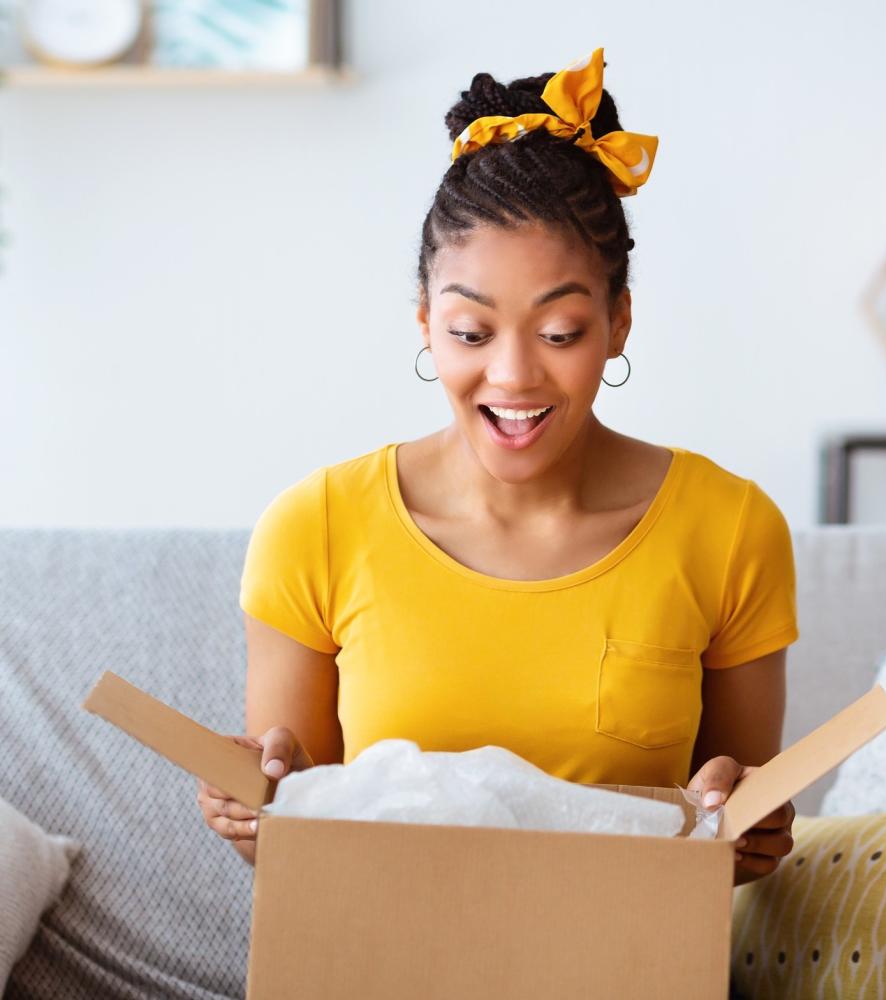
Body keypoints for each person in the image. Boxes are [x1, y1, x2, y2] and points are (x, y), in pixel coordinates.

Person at [196, 47, 798, 886]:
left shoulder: (729, 529)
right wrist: (259, 815)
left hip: (620, 945)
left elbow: (731, 833)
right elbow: (296, 849)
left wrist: (749, 829)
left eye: (559, 334)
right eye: (471, 334)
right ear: (425, 323)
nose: (513, 376)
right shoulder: (316, 528)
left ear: (619, 323)